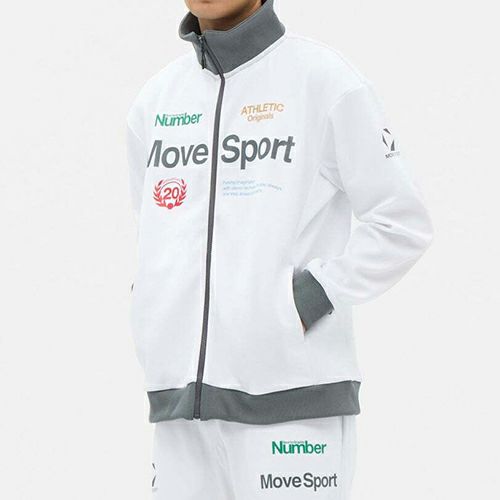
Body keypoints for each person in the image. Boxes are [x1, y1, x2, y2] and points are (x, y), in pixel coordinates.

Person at [126, 0, 433, 497]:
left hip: (293, 405)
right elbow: (154, 235)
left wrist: (307, 298)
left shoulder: (323, 81)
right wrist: (152, 309)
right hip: (179, 409)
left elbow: (402, 221)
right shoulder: (155, 101)